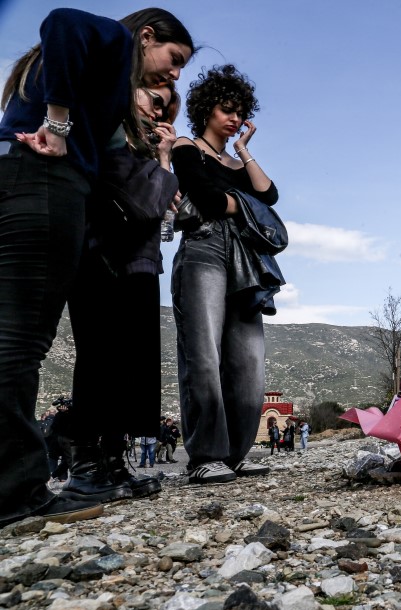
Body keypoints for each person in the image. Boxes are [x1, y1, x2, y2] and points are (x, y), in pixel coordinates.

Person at [0, 7, 193, 525]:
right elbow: (63, 21)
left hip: (27, 177)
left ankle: (19, 488)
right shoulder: (113, 41)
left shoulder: (93, 81)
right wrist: (57, 123)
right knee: (21, 342)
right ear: (147, 36)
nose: (175, 73)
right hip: (44, 182)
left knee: (18, 339)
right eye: (175, 58)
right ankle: (17, 493)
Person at [62, 78, 184, 503]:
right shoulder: (109, 136)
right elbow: (149, 205)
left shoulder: (144, 156)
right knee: (99, 356)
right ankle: (85, 467)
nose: (158, 112)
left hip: (140, 264)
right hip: (101, 255)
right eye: (156, 100)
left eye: (166, 110)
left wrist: (162, 160)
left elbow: (164, 218)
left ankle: (113, 462)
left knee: (131, 363)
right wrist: (162, 167)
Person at [171, 64, 277, 484]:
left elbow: (270, 195)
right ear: (206, 109)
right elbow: (208, 199)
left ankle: (236, 453)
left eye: (240, 112)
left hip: (244, 259)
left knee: (249, 360)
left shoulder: (236, 162)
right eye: (226, 110)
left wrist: (244, 150)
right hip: (204, 248)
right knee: (204, 354)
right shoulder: (186, 147)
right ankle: (205, 455)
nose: (234, 118)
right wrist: (248, 207)